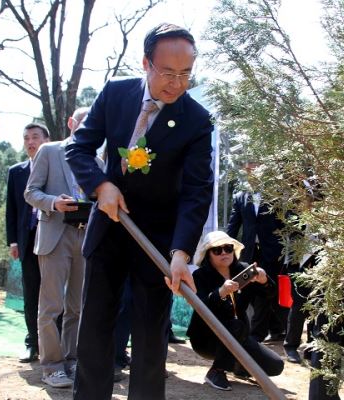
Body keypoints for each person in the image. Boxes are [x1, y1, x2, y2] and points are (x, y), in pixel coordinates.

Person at [65, 23, 214, 400]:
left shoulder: (197, 121)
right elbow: (78, 148)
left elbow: (197, 192)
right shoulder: (116, 94)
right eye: (167, 72)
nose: (176, 83)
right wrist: (102, 185)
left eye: (185, 74)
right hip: (109, 227)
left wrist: (181, 254)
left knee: (150, 335)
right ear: (146, 62)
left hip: (157, 240)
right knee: (96, 329)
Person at [24, 108, 96, 388]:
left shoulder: (95, 159)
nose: (88, 127)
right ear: (71, 124)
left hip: (85, 236)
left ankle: (72, 359)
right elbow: (30, 192)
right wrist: (55, 202)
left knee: (77, 307)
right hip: (55, 234)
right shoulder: (50, 151)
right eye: (84, 122)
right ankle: (51, 366)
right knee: (51, 306)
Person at [187, 231, 284, 391]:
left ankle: (236, 366)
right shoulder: (200, 275)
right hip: (206, 338)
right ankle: (216, 371)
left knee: (275, 366)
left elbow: (270, 294)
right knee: (236, 325)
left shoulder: (244, 270)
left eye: (228, 248)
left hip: (240, 335)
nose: (224, 253)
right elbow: (200, 306)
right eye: (217, 250)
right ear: (208, 255)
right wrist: (220, 293)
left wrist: (264, 280)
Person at [226, 161, 288, 342]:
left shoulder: (275, 196)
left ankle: (256, 335)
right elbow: (233, 225)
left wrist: (284, 249)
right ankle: (275, 329)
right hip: (248, 252)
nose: (252, 172)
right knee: (248, 292)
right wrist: (225, 247)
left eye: (256, 168)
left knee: (266, 291)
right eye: (249, 169)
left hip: (271, 251)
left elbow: (283, 224)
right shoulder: (239, 196)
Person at [6, 122, 49, 363]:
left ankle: (57, 344)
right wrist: (13, 241)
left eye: (35, 137)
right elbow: (11, 209)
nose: (30, 142)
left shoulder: (57, 167)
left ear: (47, 141)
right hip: (28, 238)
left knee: (54, 294)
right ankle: (32, 343)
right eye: (26, 138)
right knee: (31, 293)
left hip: (54, 238)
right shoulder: (16, 171)